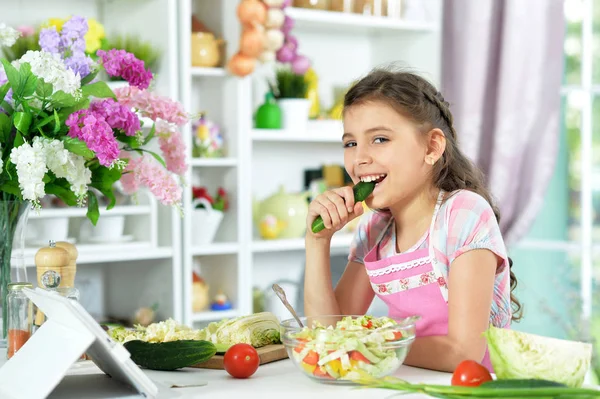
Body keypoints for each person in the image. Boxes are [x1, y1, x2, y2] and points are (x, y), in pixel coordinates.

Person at [303, 68, 522, 373]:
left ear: (432, 147)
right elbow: (328, 334)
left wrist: (370, 344)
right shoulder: (374, 229)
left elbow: (464, 354)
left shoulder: (463, 214)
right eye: (350, 143)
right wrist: (316, 242)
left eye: (379, 139)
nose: (359, 158)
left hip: (470, 389)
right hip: (404, 382)